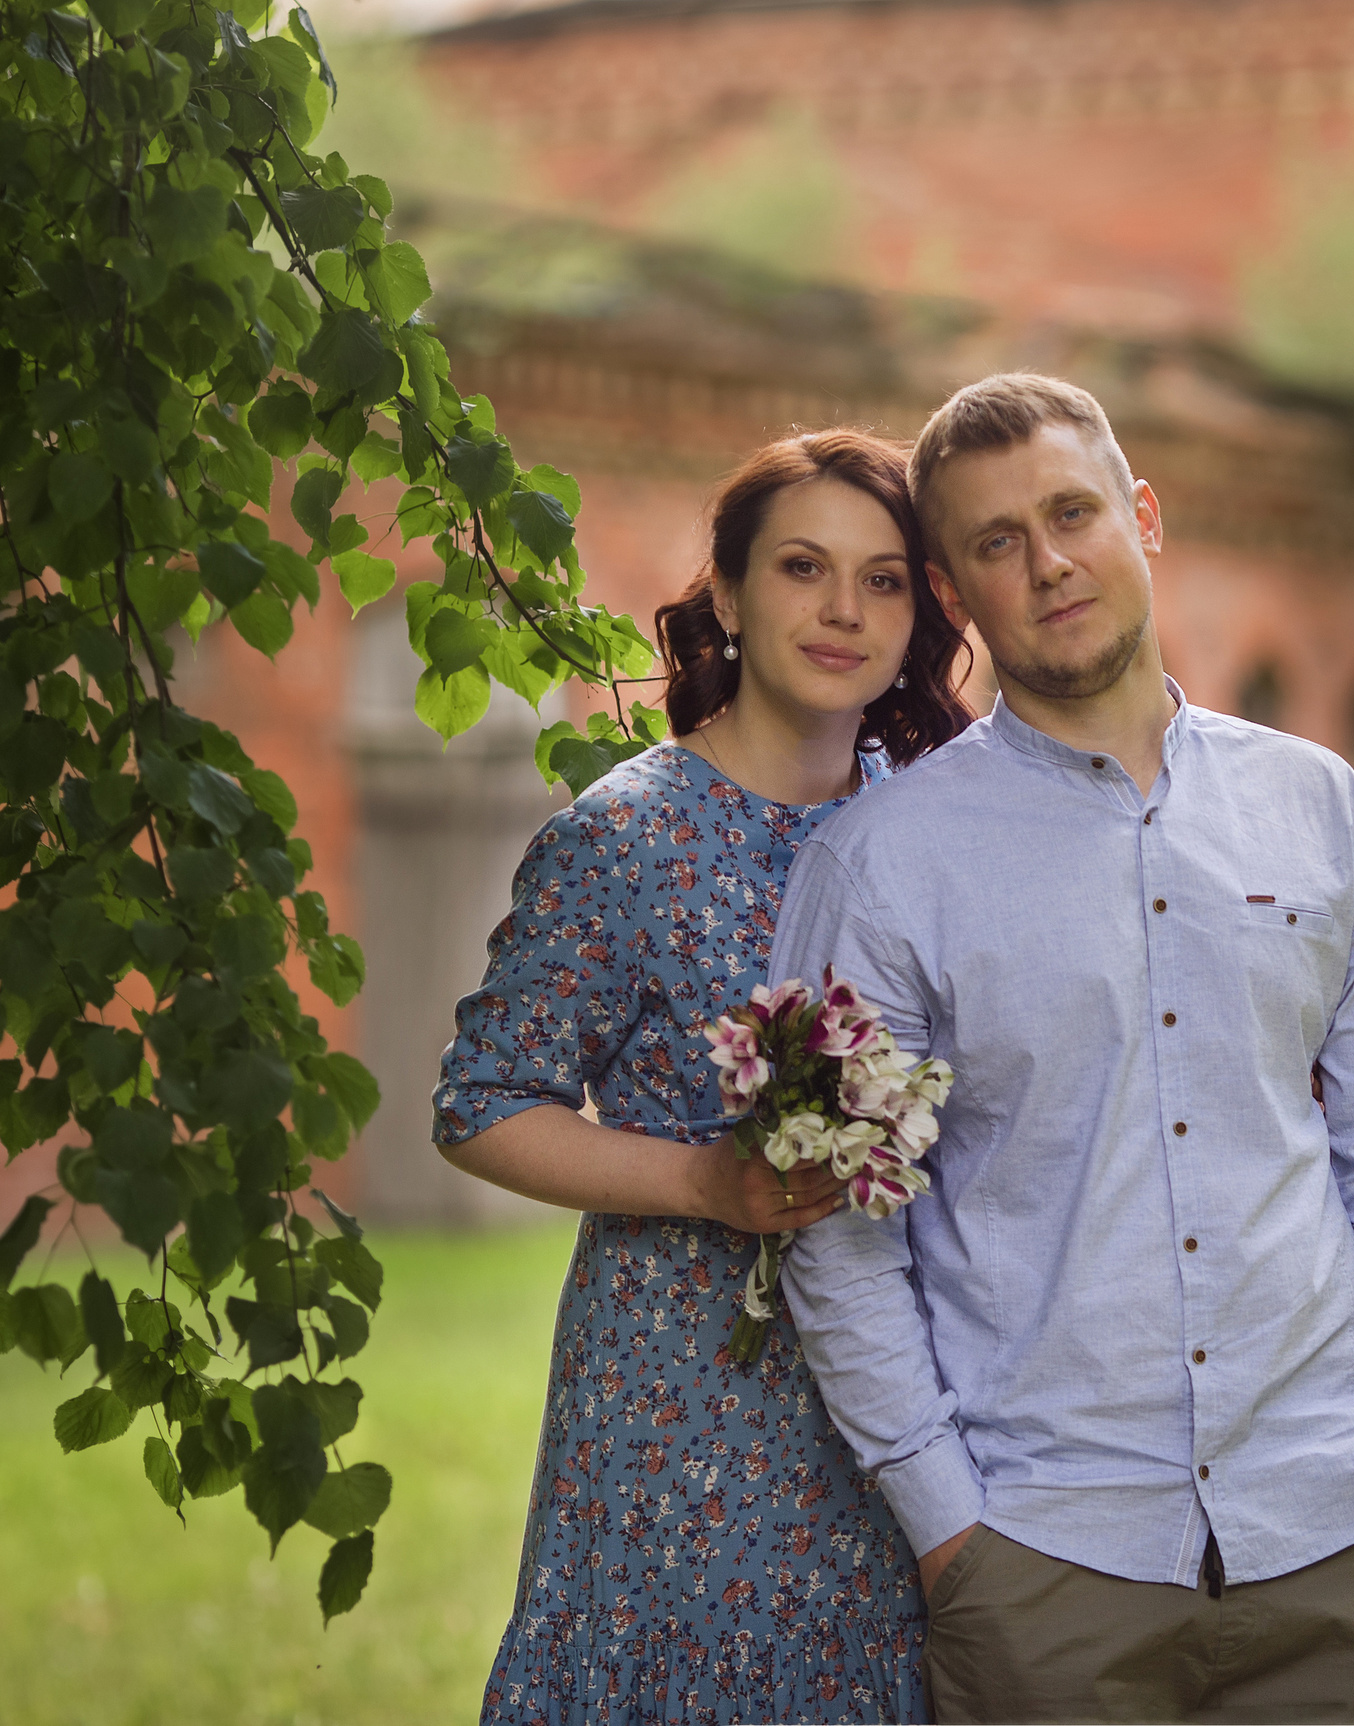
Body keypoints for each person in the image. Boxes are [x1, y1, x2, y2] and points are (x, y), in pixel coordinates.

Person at [772, 374, 1354, 1724]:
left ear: (1140, 516)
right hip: (1047, 1564)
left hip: (1341, 1537)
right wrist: (949, 1528)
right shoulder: (879, 865)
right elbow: (838, 1233)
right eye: (995, 541)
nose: (1046, 562)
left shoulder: (1318, 806)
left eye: (1072, 512)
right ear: (950, 587)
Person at [432, 428, 973, 1725]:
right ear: (728, 596)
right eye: (803, 567)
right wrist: (700, 1176)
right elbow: (481, 1101)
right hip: (682, 1399)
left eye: (886, 578)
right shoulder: (625, 835)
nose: (845, 609)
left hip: (911, 1391)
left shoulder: (945, 826)